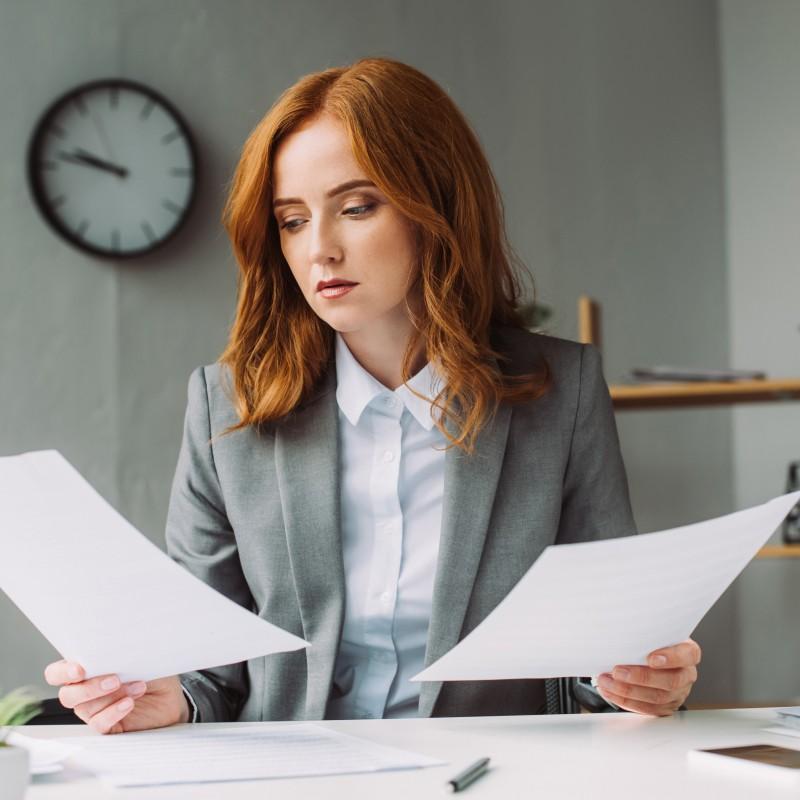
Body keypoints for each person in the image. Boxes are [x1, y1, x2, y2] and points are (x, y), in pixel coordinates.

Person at [44, 57, 701, 734]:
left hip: (491, 777)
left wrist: (638, 681)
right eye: (292, 220)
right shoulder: (227, 407)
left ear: (436, 207)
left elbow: (599, 656)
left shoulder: (562, 397)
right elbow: (209, 671)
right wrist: (169, 698)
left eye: (356, 207)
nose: (319, 249)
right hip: (288, 779)